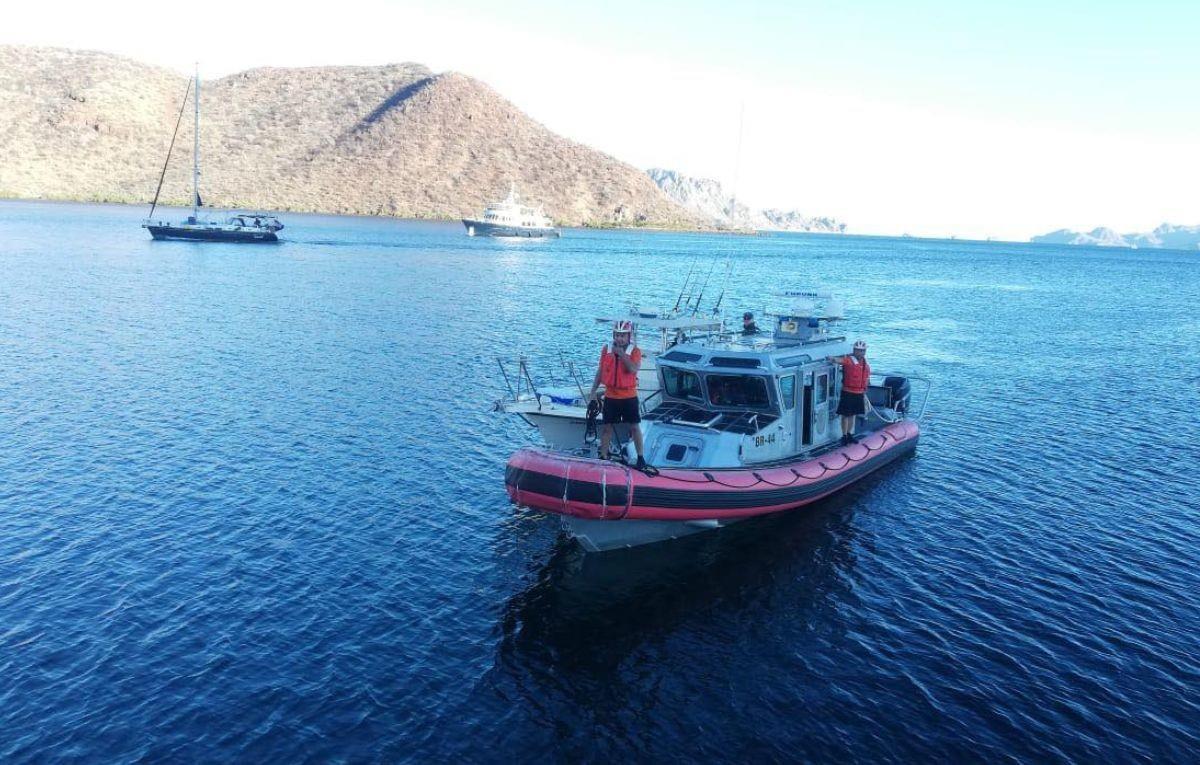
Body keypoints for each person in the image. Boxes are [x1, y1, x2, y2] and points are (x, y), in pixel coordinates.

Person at [589, 320, 657, 474]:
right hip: (611, 395)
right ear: (614, 335)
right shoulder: (606, 349)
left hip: (629, 396)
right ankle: (603, 456)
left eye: (623, 336)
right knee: (607, 427)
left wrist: (622, 355)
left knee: (634, 427)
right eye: (618, 335)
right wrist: (593, 391)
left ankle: (640, 458)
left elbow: (633, 369)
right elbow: (601, 371)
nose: (620, 339)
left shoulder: (635, 351)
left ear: (628, 336)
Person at [829, 339, 870, 445]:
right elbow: (839, 361)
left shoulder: (865, 363)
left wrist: (865, 388)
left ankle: (849, 434)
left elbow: (866, 377)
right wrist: (832, 358)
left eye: (862, 351)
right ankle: (844, 435)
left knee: (853, 415)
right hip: (848, 391)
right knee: (845, 415)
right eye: (858, 350)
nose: (860, 352)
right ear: (854, 350)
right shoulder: (849, 360)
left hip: (859, 392)